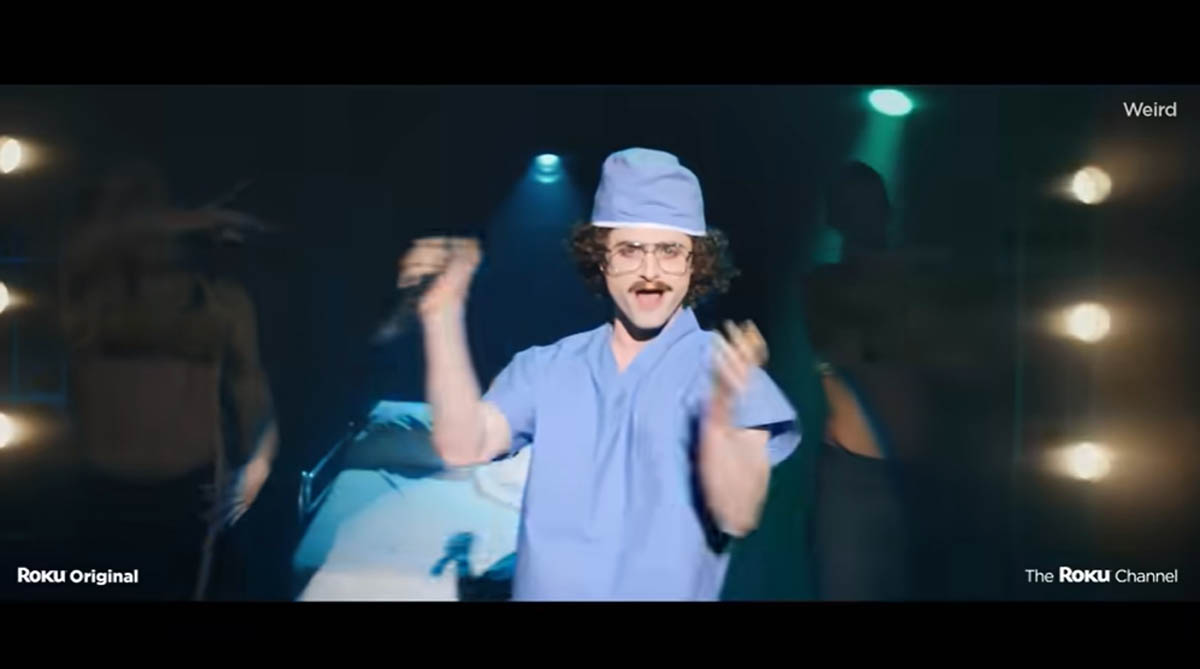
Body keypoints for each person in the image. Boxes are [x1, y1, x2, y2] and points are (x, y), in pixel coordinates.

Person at [396, 148, 801, 601]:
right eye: (629, 250)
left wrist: (721, 417)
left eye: (670, 251)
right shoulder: (547, 366)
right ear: (601, 257)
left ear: (695, 262)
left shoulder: (726, 372)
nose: (650, 271)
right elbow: (462, 445)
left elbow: (737, 515)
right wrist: (443, 313)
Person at [59, 159, 278, 600]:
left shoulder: (220, 301)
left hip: (189, 500)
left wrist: (260, 460)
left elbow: (252, 392)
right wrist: (197, 218)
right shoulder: (96, 295)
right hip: (101, 499)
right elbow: (86, 243)